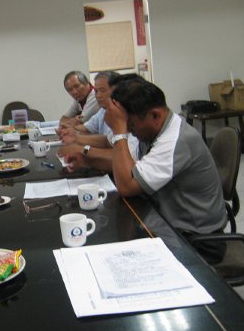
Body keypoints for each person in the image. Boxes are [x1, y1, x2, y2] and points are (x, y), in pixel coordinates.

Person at [68, 78, 227, 263]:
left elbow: (127, 186)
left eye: (131, 125)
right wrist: (88, 161)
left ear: (155, 115)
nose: (129, 131)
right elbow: (129, 165)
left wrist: (119, 133)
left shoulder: (176, 140)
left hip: (196, 240)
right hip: (167, 222)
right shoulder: (153, 131)